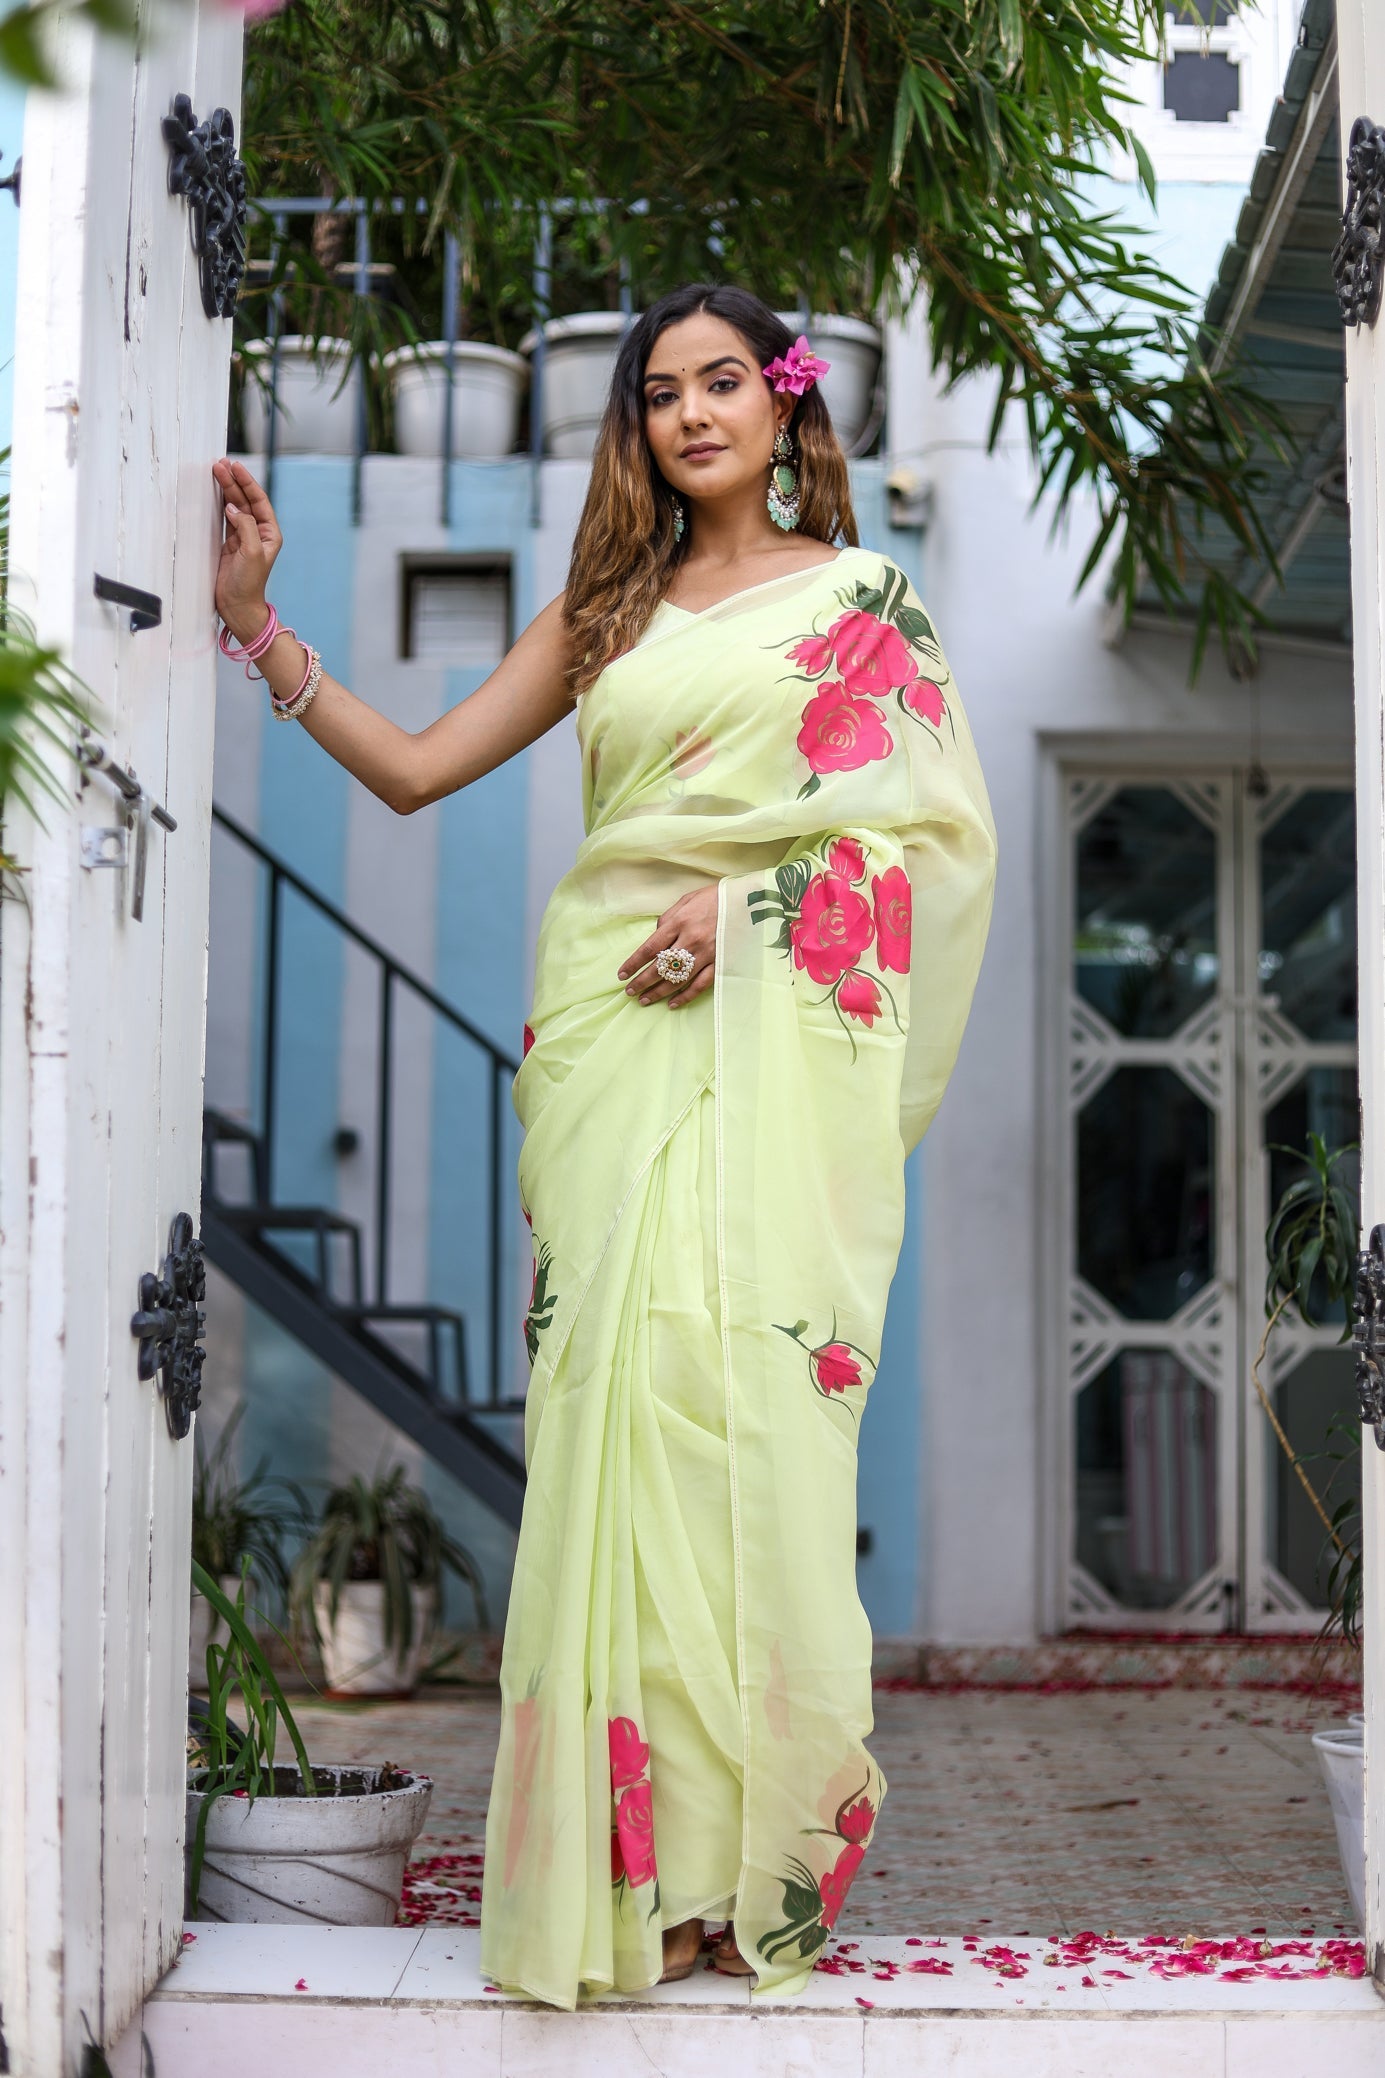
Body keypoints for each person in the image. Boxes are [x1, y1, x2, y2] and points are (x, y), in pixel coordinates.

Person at [211, 282, 996, 2008]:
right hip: (610, 1056)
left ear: (786, 409)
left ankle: (745, 1865)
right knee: (621, 1448)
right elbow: (417, 771)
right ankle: (640, 1879)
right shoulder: (606, 609)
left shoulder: (860, 603)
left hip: (765, 1054)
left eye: (724, 381)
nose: (691, 412)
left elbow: (932, 852)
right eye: (659, 392)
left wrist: (755, 905)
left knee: (750, 1439)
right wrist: (258, 629)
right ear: (635, 427)